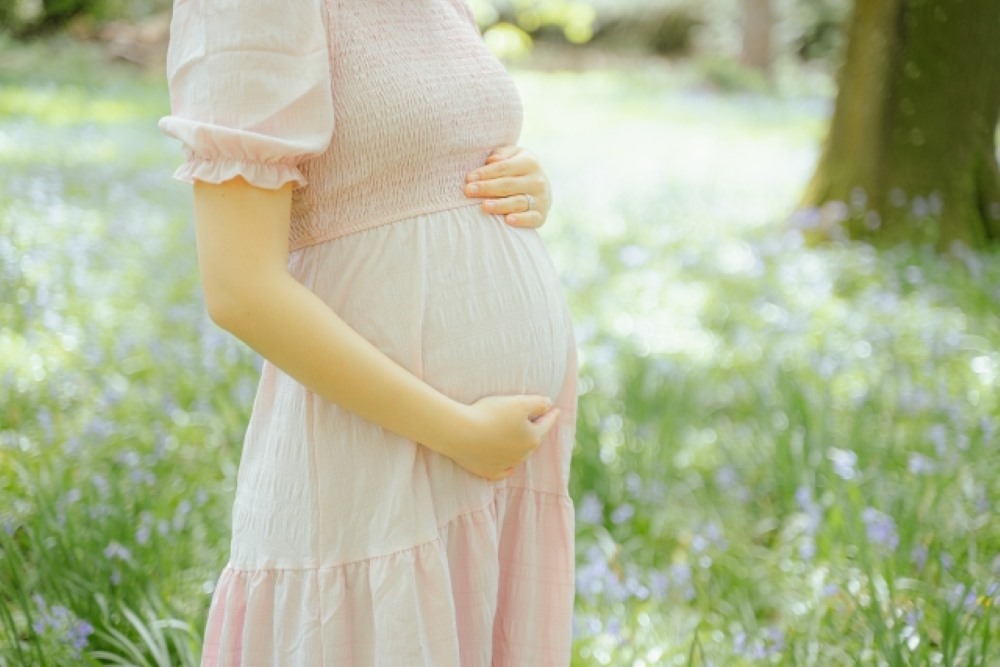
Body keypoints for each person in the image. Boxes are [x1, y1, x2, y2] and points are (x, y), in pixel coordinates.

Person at [159, 1, 577, 664]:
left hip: (485, 481)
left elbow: (412, 165)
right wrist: (457, 430)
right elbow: (240, 288)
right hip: (387, 463)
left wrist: (525, 185)